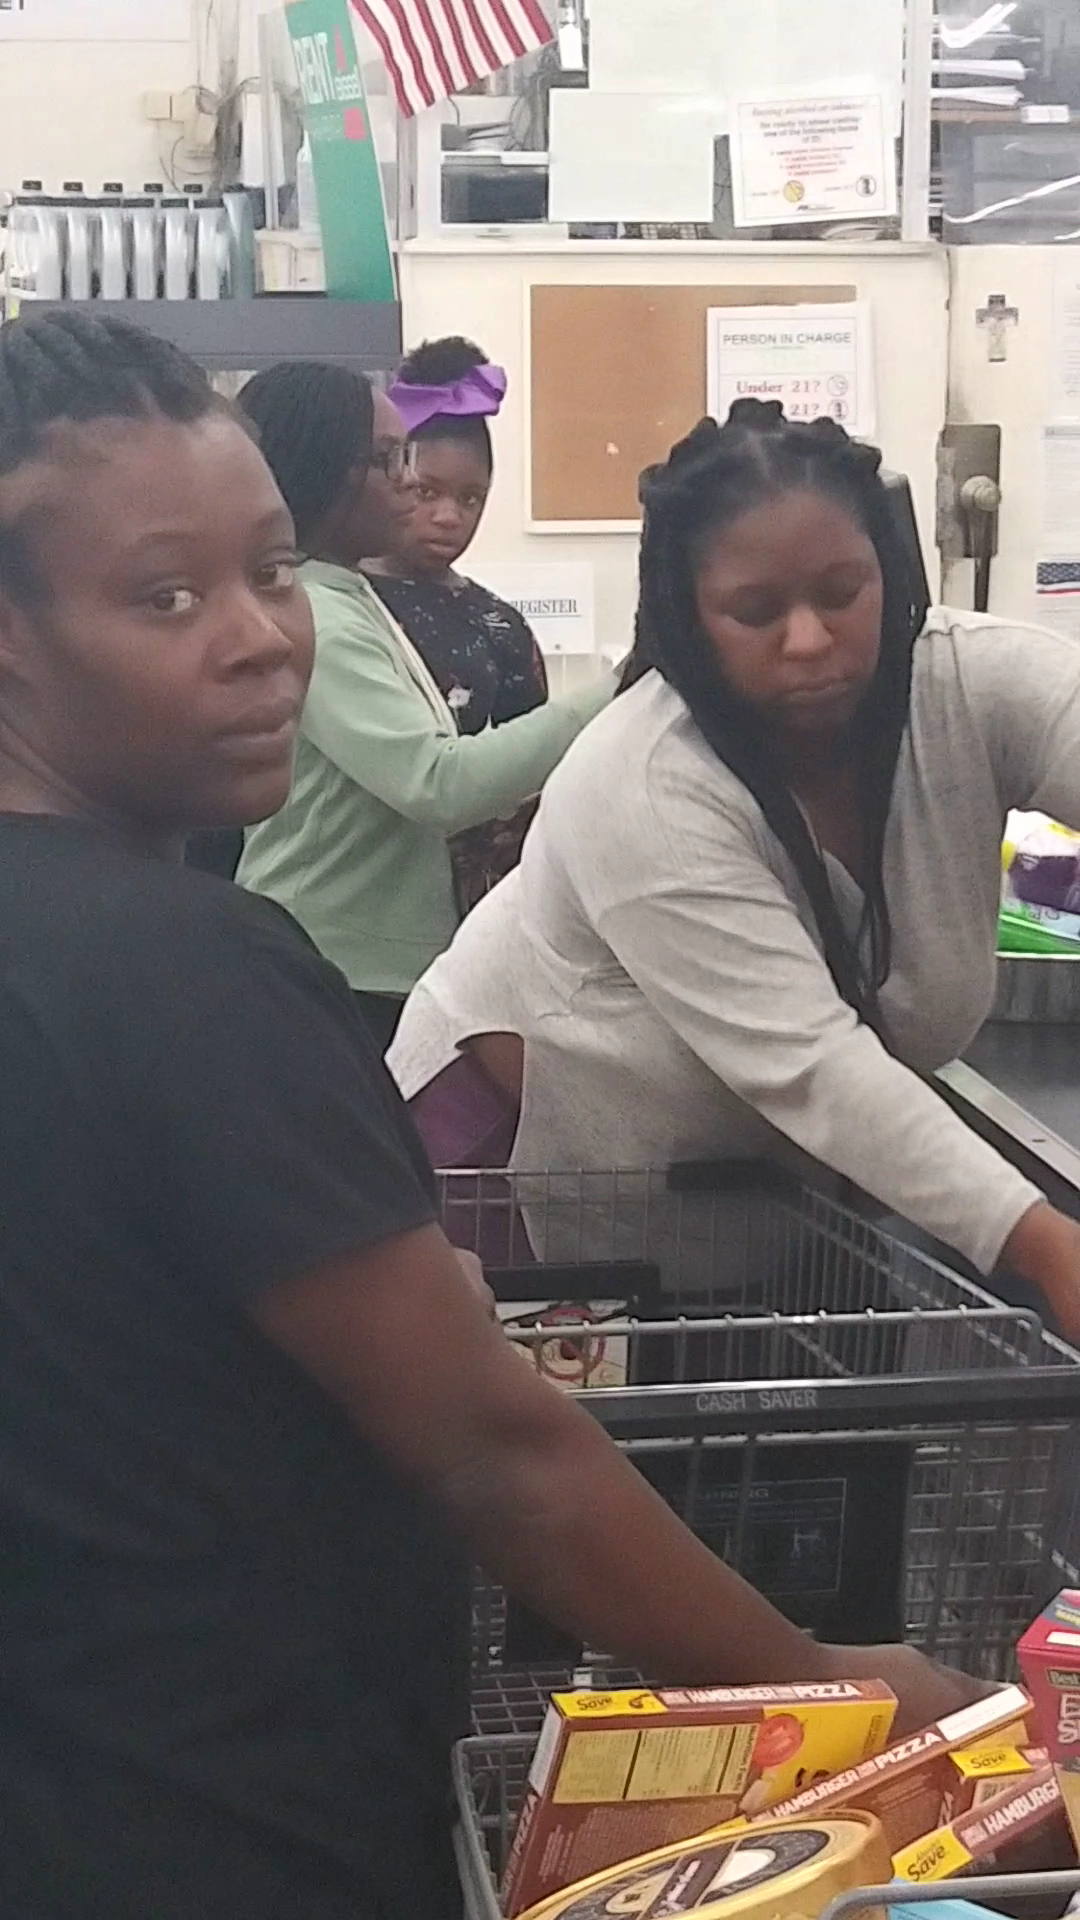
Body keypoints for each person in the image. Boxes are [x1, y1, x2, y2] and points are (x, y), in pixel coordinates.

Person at [0, 314, 976, 1920]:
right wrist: (829, 1683)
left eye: (274, 571)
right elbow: (495, 1450)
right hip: (225, 1809)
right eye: (165, 597)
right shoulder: (192, 976)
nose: (262, 640)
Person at [390, 401, 1080, 1337]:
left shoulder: (968, 685)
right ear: (687, 616)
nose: (810, 639)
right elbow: (811, 1064)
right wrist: (1047, 1244)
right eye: (756, 611)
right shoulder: (644, 780)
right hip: (528, 1166)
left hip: (764, 1191)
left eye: (842, 591)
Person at [235, 361, 610, 1052]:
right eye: (389, 460)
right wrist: (620, 690)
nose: (409, 483)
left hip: (374, 968)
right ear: (324, 473)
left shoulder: (352, 597)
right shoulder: (321, 615)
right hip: (335, 968)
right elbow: (438, 784)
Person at [367, 336, 550, 912]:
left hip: (479, 906)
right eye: (428, 492)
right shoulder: (340, 604)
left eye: (471, 499)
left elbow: (536, 769)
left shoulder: (498, 625)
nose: (448, 517)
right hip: (361, 894)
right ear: (393, 479)